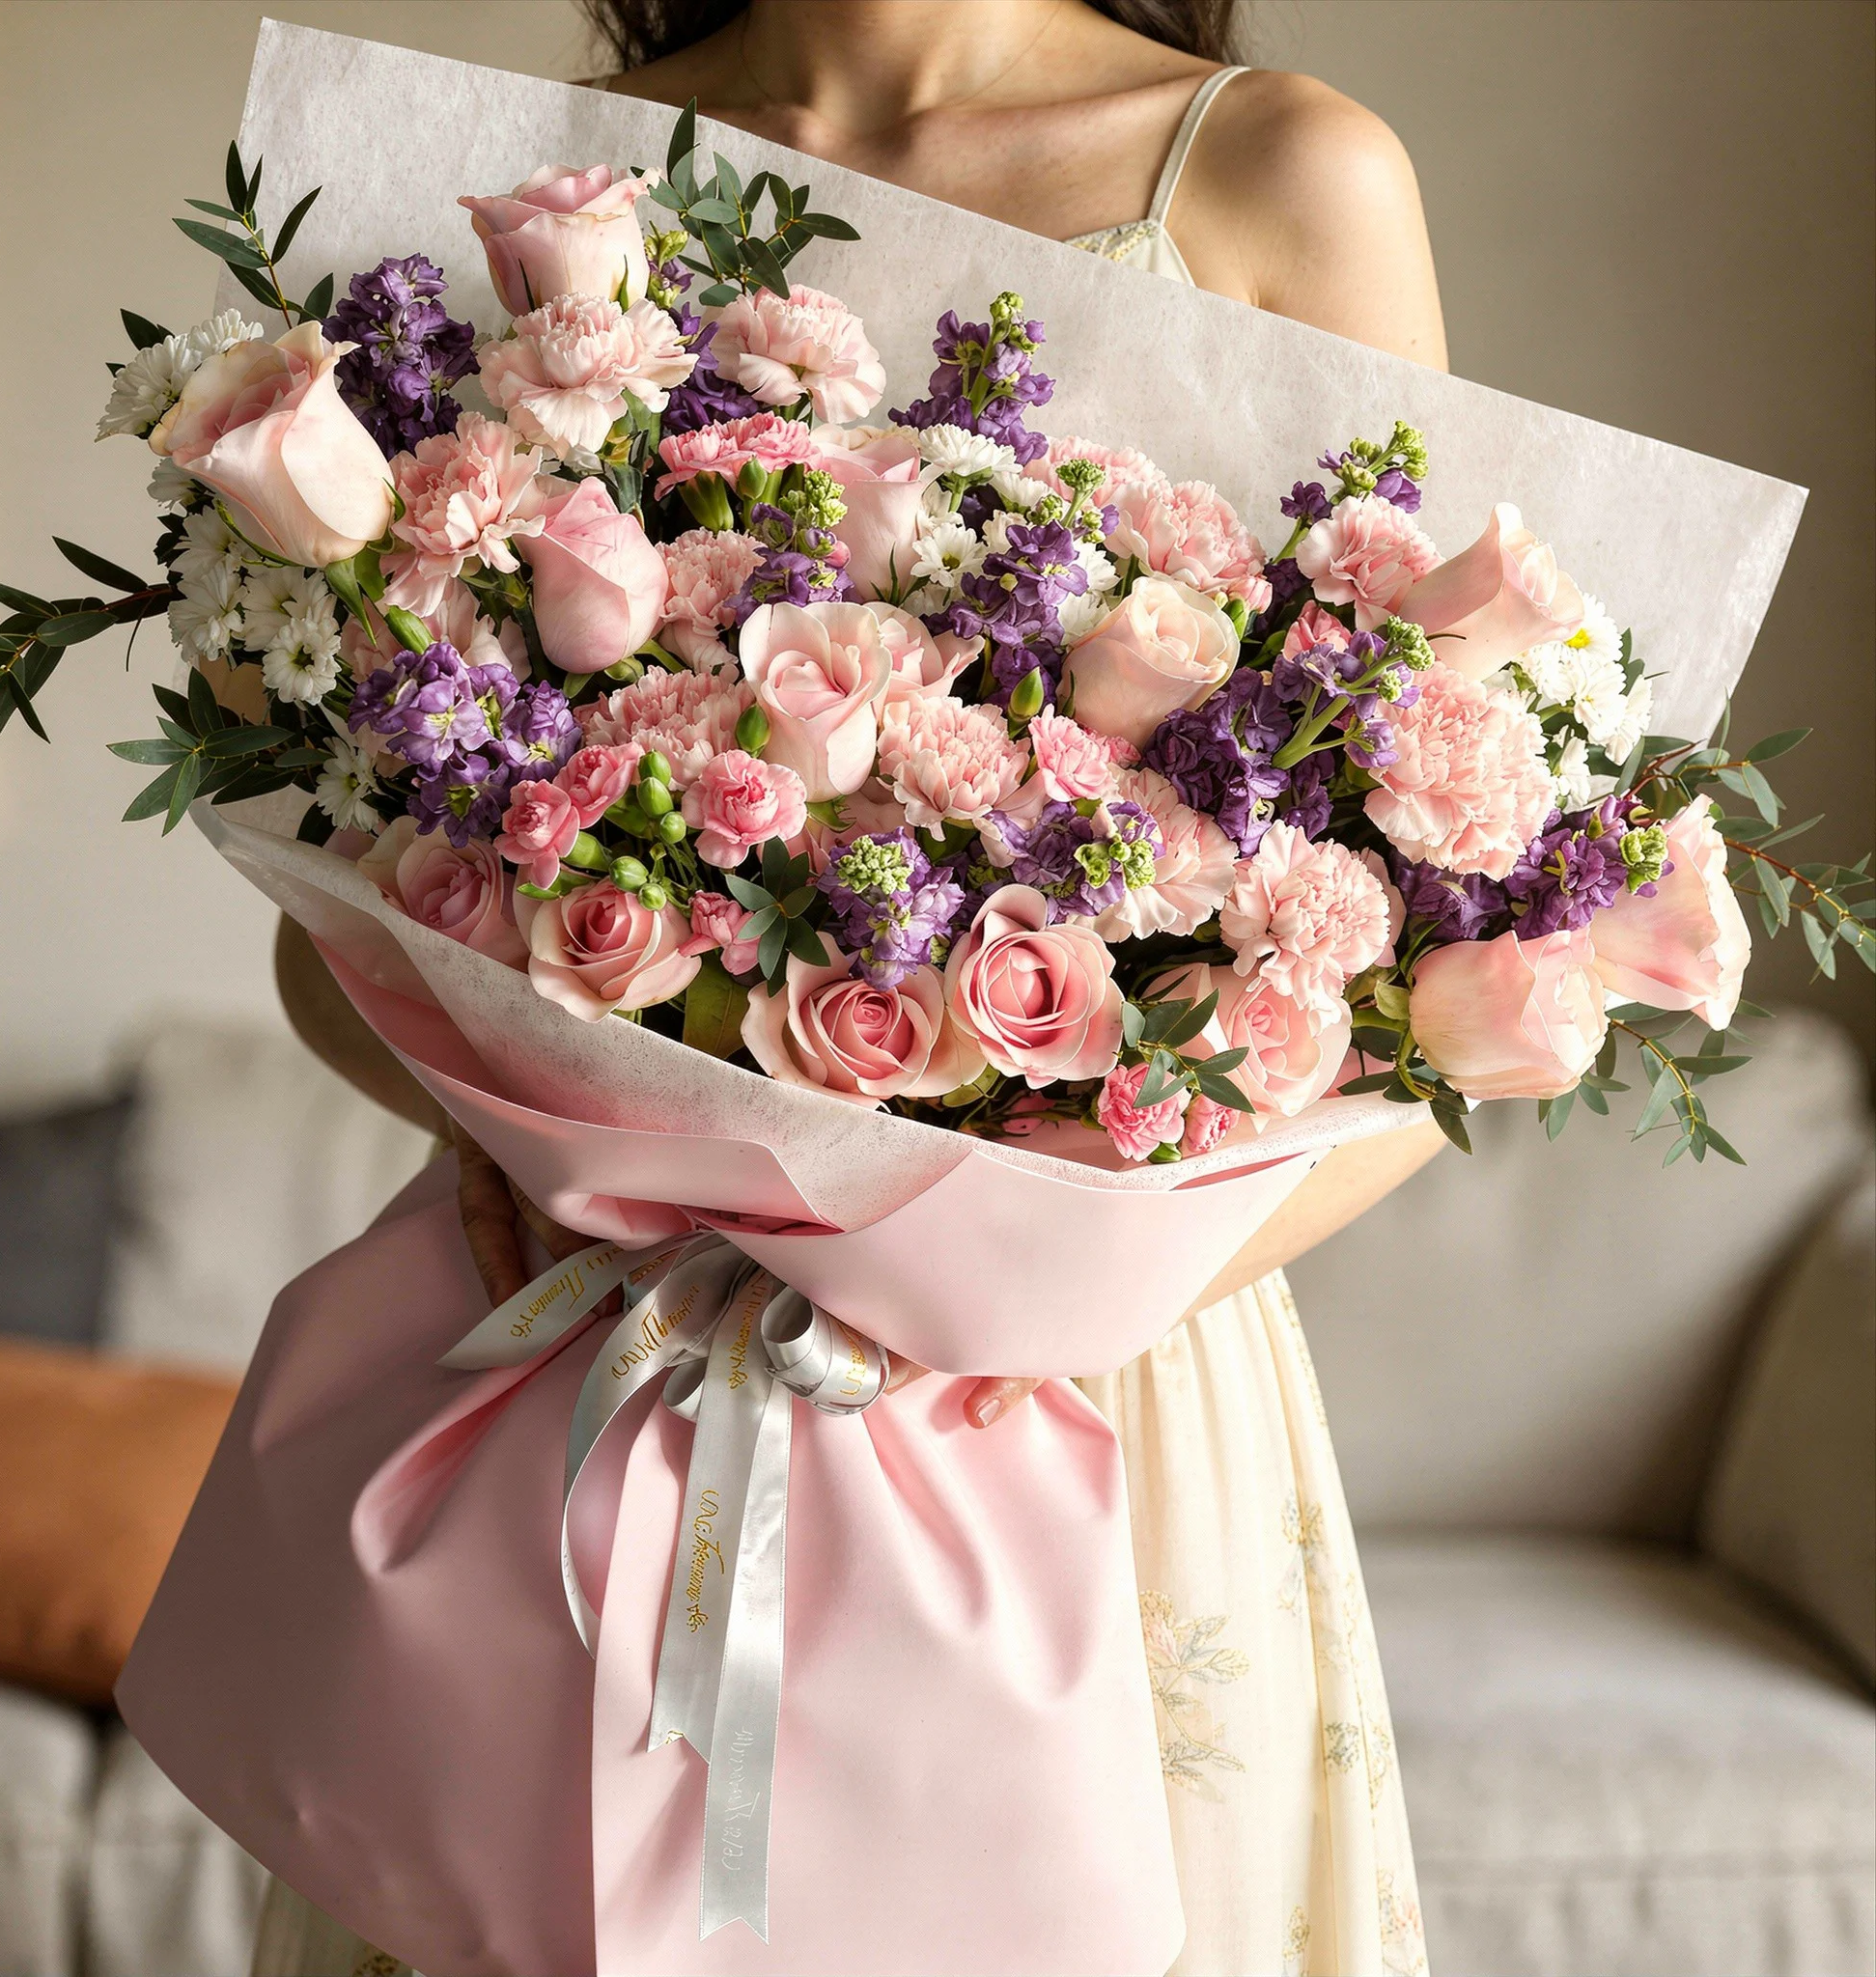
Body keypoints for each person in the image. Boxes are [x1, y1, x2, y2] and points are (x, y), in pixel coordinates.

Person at [265, 4, 1446, 1971]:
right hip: (597, 1356)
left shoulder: (1274, 174)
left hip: (1081, 1389)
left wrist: (983, 1286)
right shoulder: (525, 185)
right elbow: (329, 951)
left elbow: (1426, 987)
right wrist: (569, 1136)